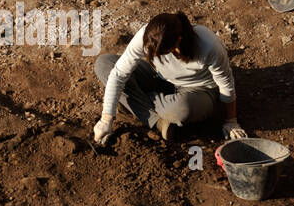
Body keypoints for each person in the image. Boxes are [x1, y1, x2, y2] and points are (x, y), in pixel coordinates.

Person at [93, 11, 248, 144]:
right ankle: (157, 122)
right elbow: (119, 73)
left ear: (177, 42)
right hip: (161, 79)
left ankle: (131, 100)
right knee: (104, 63)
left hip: (199, 90)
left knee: (181, 110)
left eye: (159, 53)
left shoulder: (208, 45)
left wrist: (231, 121)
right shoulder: (147, 36)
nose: (153, 56)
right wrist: (106, 119)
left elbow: (226, 84)